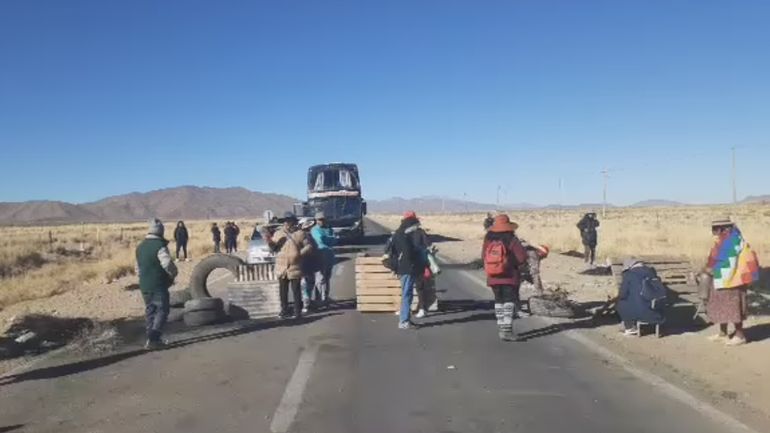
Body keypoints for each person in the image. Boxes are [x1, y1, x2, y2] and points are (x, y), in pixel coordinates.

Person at [703, 217, 760, 346]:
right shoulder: (723, 240)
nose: (713, 232)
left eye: (715, 229)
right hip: (724, 278)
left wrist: (712, 271)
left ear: (723, 228)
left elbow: (729, 262)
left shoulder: (732, 240)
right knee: (720, 305)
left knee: (734, 308)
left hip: (734, 280)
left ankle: (740, 335)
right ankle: (723, 333)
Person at [482, 214, 528, 341]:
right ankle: (507, 330)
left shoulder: (488, 238)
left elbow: (483, 256)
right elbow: (522, 257)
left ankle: (501, 328)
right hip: (509, 275)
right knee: (508, 301)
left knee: (498, 300)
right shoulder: (511, 239)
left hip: (493, 276)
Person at [135, 218, 178, 350]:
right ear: (160, 231)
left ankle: (150, 339)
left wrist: (143, 278)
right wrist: (173, 273)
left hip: (144, 285)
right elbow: (167, 263)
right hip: (158, 283)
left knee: (150, 311)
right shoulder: (159, 246)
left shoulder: (140, 247)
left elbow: (137, 268)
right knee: (162, 310)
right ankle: (154, 338)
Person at [266, 212, 313, 319]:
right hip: (281, 266)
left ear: (294, 222)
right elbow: (273, 248)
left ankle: (297, 311)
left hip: (294, 266)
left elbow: (308, 246)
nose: (288, 223)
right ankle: (284, 310)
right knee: (283, 291)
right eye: (286, 221)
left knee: (296, 290)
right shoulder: (278, 233)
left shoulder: (300, 234)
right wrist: (268, 241)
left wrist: (299, 254)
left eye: (290, 221)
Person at [390, 211, 428, 329]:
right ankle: (404, 321)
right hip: (407, 269)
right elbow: (407, 253)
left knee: (408, 294)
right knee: (407, 294)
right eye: (414, 226)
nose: (415, 229)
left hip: (403, 268)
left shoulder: (399, 234)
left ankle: (406, 319)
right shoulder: (403, 237)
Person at [616, 258, 666, 336]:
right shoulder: (652, 272)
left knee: (620, 303)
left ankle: (630, 327)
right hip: (656, 314)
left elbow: (622, 294)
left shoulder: (629, 274)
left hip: (639, 313)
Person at [310, 212, 339, 307]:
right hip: (319, 256)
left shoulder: (329, 229)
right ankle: (318, 298)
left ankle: (325, 297)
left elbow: (335, 239)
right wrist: (330, 239)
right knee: (320, 278)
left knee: (327, 278)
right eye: (319, 220)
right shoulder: (314, 230)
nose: (321, 221)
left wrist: (330, 239)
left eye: (322, 219)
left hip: (329, 256)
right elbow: (321, 239)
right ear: (316, 220)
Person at [299, 218, 321, 313]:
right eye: (310, 226)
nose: (311, 227)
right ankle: (305, 305)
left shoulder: (307, 235)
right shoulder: (304, 236)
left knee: (308, 285)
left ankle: (307, 303)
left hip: (309, 264)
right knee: (305, 285)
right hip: (305, 264)